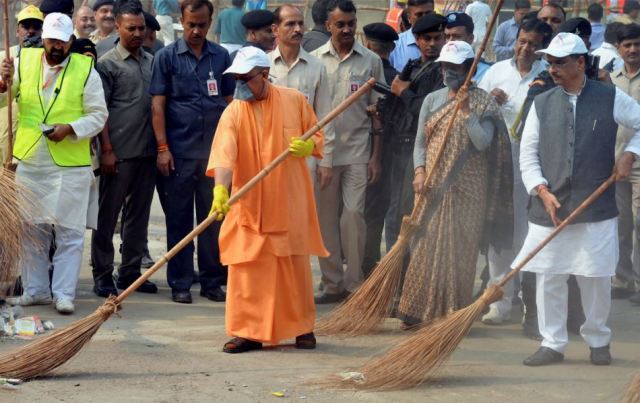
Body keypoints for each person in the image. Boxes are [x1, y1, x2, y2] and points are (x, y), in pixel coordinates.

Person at [517, 32, 640, 367]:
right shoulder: (541, 102)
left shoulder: (609, 96)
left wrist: (630, 153)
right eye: (550, 62)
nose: (553, 68)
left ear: (581, 62)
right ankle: (552, 342)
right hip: (550, 206)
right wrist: (541, 191)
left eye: (560, 62)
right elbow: (528, 155)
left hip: (595, 206)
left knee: (595, 276)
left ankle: (598, 338)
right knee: (549, 275)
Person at [207, 46, 328, 353]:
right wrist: (221, 189)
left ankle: (302, 329)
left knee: (294, 269)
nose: (239, 85)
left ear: (263, 75)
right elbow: (224, 154)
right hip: (250, 203)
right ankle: (247, 332)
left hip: (289, 200)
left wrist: (308, 146)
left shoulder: (294, 100)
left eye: (245, 79)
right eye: (236, 79)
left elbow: (316, 135)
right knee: (247, 270)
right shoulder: (233, 111)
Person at [395, 40, 513, 326]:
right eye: (445, 67)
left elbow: (483, 143)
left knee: (461, 249)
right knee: (423, 245)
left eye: (455, 67)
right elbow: (421, 143)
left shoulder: (484, 102)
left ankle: (451, 314)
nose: (449, 72)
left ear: (469, 69)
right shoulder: (433, 99)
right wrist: (420, 172)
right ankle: (415, 310)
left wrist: (466, 112)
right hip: (432, 185)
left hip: (469, 189)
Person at [0, 13, 108, 314]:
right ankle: (36, 290)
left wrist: (71, 128)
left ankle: (63, 294)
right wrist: (2, 81)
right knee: (31, 230)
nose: (56, 46)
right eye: (51, 40)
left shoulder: (86, 70)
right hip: (31, 158)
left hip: (70, 162)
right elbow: (4, 101)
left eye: (62, 41)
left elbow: (99, 115)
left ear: (71, 41)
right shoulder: (24, 62)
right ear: (43, 38)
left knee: (69, 233)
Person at [150, 0, 235, 304]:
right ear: (181, 22)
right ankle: (180, 282)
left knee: (213, 219)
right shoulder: (166, 58)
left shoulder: (221, 56)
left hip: (214, 156)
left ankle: (212, 281)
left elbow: (230, 102)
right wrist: (162, 149)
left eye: (202, 24)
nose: (196, 30)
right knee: (180, 219)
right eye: (191, 25)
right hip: (180, 153)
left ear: (210, 23)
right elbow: (158, 106)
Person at [478, 18, 551, 325]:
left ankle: (528, 304)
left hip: (533, 165)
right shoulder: (496, 72)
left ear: (543, 46)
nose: (525, 48)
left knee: (527, 233)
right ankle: (500, 300)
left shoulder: (547, 76)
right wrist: (488, 100)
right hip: (497, 163)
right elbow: (473, 110)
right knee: (499, 232)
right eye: (522, 41)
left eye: (533, 44)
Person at [312, 0, 386, 303]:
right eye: (340, 24)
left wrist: (376, 156)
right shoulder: (314, 60)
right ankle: (332, 284)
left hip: (358, 151)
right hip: (323, 155)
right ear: (328, 25)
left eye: (350, 24)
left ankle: (355, 285)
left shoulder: (370, 61)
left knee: (353, 216)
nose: (346, 29)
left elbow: (379, 110)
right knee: (325, 220)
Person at [91, 1, 158, 298]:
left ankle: (130, 273)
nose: (137, 33)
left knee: (138, 217)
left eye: (141, 28)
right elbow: (100, 111)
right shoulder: (107, 64)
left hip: (146, 152)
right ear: (117, 26)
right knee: (107, 216)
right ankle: (102, 275)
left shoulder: (151, 61)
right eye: (131, 28)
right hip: (117, 153)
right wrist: (106, 149)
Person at [384, 13, 446, 255]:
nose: (432, 44)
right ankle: (393, 272)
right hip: (399, 145)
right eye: (427, 39)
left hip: (419, 150)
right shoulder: (414, 67)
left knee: (409, 212)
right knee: (395, 211)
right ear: (417, 40)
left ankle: (404, 273)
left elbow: (430, 111)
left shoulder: (444, 70)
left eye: (437, 38)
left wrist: (403, 93)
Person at [268, 4, 333, 171]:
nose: (297, 29)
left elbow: (325, 116)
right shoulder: (263, 65)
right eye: (290, 24)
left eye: (300, 23)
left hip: (305, 157)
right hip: (268, 156)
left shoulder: (317, 67)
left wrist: (325, 161)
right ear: (275, 29)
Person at [361, 22, 399, 277]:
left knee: (370, 216)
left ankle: (369, 271)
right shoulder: (400, 78)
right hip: (396, 153)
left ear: (367, 45)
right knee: (391, 216)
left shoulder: (367, 78)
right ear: (392, 48)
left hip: (369, 152)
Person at [611, 23, 640, 304]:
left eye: (637, 44)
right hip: (616, 163)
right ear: (619, 48)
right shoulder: (610, 79)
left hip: (639, 164)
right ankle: (622, 280)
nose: (633, 50)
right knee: (620, 224)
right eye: (627, 45)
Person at [0, 5, 43, 166]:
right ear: (17, 30)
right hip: (6, 130)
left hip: (34, 133)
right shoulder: (4, 57)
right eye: (26, 26)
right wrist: (4, 80)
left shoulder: (48, 59)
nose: (30, 31)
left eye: (36, 27)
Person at [389, 0, 435, 71]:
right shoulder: (395, 45)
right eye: (419, 15)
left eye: (428, 13)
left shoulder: (445, 43)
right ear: (409, 18)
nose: (425, 19)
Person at [444, 12, 491, 81]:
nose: (450, 42)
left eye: (457, 36)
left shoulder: (486, 72)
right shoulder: (436, 69)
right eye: (447, 37)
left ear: (470, 39)